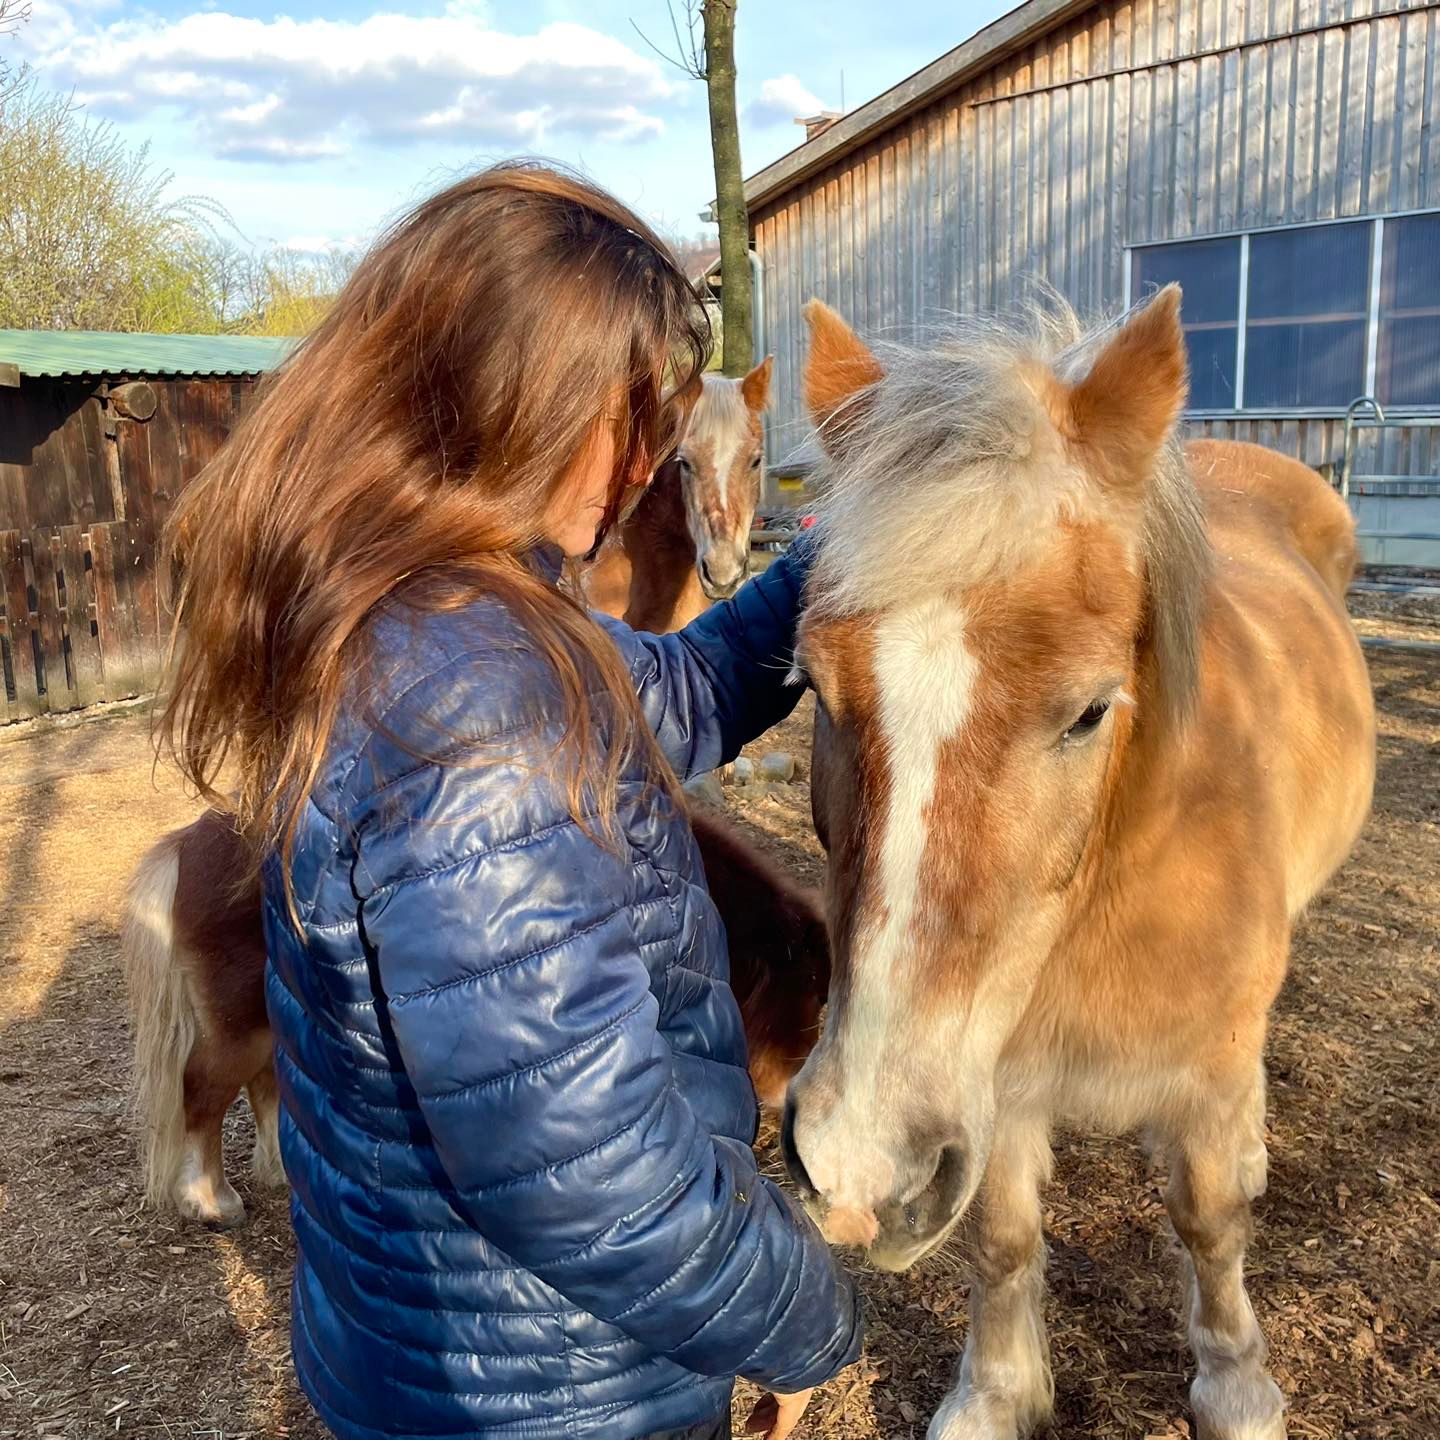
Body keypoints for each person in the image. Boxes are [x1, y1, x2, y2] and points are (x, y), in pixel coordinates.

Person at [159, 162, 861, 1440]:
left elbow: (684, 687)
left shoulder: (434, 606)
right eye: (633, 409)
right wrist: (807, 1315)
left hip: (445, 1344)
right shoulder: (473, 698)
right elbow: (590, 1179)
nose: (652, 457)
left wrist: (823, 563)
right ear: (521, 402)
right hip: (554, 1388)